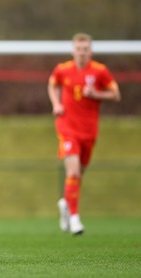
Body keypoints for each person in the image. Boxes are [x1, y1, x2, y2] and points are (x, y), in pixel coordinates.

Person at [47, 33, 121, 235]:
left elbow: (116, 94)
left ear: (91, 51)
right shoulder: (62, 69)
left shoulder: (100, 71)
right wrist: (56, 104)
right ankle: (75, 219)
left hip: (89, 131)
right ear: (73, 51)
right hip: (67, 128)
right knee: (73, 173)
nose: (82, 52)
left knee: (79, 175)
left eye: (85, 49)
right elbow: (52, 85)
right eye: (78, 49)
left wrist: (96, 94)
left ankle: (65, 203)